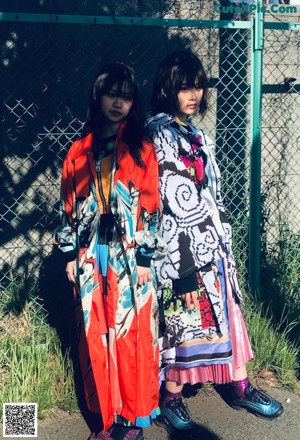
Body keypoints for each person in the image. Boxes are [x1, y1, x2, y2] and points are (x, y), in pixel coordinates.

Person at [145, 50, 283, 434]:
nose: (193, 94)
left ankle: (237, 384)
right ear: (166, 89)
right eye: (184, 87)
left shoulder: (194, 133)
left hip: (214, 247)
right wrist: (184, 269)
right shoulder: (160, 134)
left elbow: (210, 195)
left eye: (198, 86)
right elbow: (169, 203)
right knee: (185, 323)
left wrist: (222, 246)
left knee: (225, 316)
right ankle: (170, 396)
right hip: (182, 253)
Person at [55, 61, 167, 440]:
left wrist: (146, 258)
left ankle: (131, 418)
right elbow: (68, 206)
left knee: (130, 332)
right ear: (97, 96)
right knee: (96, 335)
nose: (118, 103)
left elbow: (152, 204)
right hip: (90, 255)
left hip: (130, 256)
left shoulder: (140, 149)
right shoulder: (79, 150)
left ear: (134, 103)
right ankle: (105, 417)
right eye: (111, 94)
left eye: (126, 96)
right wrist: (71, 254)